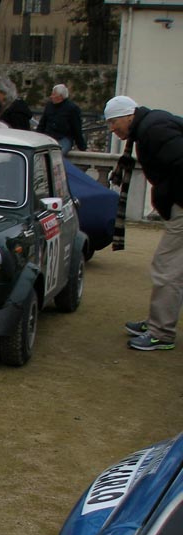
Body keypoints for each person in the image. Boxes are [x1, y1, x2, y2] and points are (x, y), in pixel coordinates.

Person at [104, 95, 183, 352]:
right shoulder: (152, 126)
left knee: (167, 267)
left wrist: (171, 198)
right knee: (169, 266)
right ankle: (158, 323)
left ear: (129, 116)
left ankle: (161, 332)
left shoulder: (153, 130)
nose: (112, 129)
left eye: (114, 122)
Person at [38, 84, 86, 153]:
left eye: (53, 94)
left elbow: (76, 128)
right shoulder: (49, 106)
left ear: (60, 96)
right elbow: (42, 124)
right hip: (48, 137)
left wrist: (82, 147)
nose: (51, 97)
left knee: (58, 153)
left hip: (64, 138)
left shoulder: (72, 109)